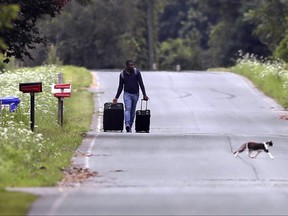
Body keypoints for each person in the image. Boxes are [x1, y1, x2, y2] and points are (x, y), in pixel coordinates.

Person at [113, 60, 149, 132]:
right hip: (127, 93)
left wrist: (144, 94)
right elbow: (120, 87)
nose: (132, 67)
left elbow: (141, 84)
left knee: (133, 110)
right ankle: (127, 124)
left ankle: (130, 125)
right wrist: (116, 97)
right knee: (128, 108)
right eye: (130, 65)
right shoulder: (122, 74)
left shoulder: (136, 72)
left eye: (133, 65)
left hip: (136, 94)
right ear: (126, 66)